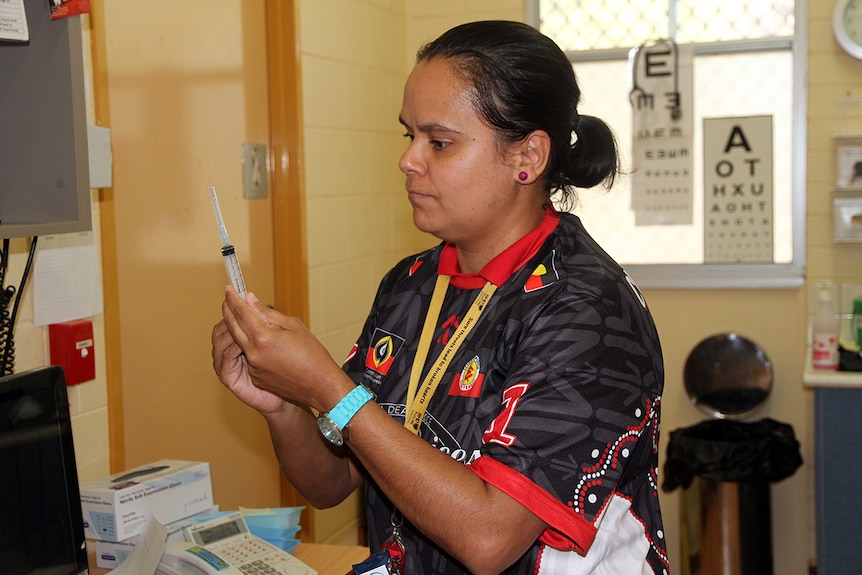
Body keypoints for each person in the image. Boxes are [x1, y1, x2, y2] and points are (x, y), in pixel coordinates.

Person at [212, 20, 667, 575]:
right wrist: (282, 403)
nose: (409, 160)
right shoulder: (412, 285)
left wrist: (329, 388)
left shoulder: (587, 311)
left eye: (440, 142)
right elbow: (333, 482)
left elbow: (490, 539)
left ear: (528, 156)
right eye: (410, 136)